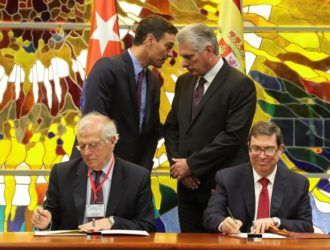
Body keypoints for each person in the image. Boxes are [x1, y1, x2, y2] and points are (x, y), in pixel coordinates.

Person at [164, 24, 256, 232]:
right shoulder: (184, 82)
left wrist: (192, 165)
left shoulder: (240, 85)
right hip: (187, 189)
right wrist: (180, 168)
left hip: (221, 191)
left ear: (208, 51)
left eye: (189, 57)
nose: (184, 64)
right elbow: (172, 128)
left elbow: (233, 136)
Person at [72, 15, 178, 171]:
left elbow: (150, 132)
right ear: (149, 40)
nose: (170, 54)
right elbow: (94, 123)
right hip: (98, 170)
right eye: (168, 46)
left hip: (133, 175)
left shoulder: (153, 81)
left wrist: (143, 169)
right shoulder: (106, 69)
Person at [32, 112, 155, 232]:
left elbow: (147, 225)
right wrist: (45, 222)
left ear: (112, 141)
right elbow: (52, 215)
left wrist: (112, 222)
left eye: (93, 145)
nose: (86, 152)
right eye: (82, 146)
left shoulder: (137, 177)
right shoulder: (62, 174)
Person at [203, 121, 314, 234]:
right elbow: (210, 216)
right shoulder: (227, 178)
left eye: (269, 149)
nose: (261, 156)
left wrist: (276, 222)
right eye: (256, 148)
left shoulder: (298, 183)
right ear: (249, 148)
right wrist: (222, 224)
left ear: (280, 150)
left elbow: (306, 226)